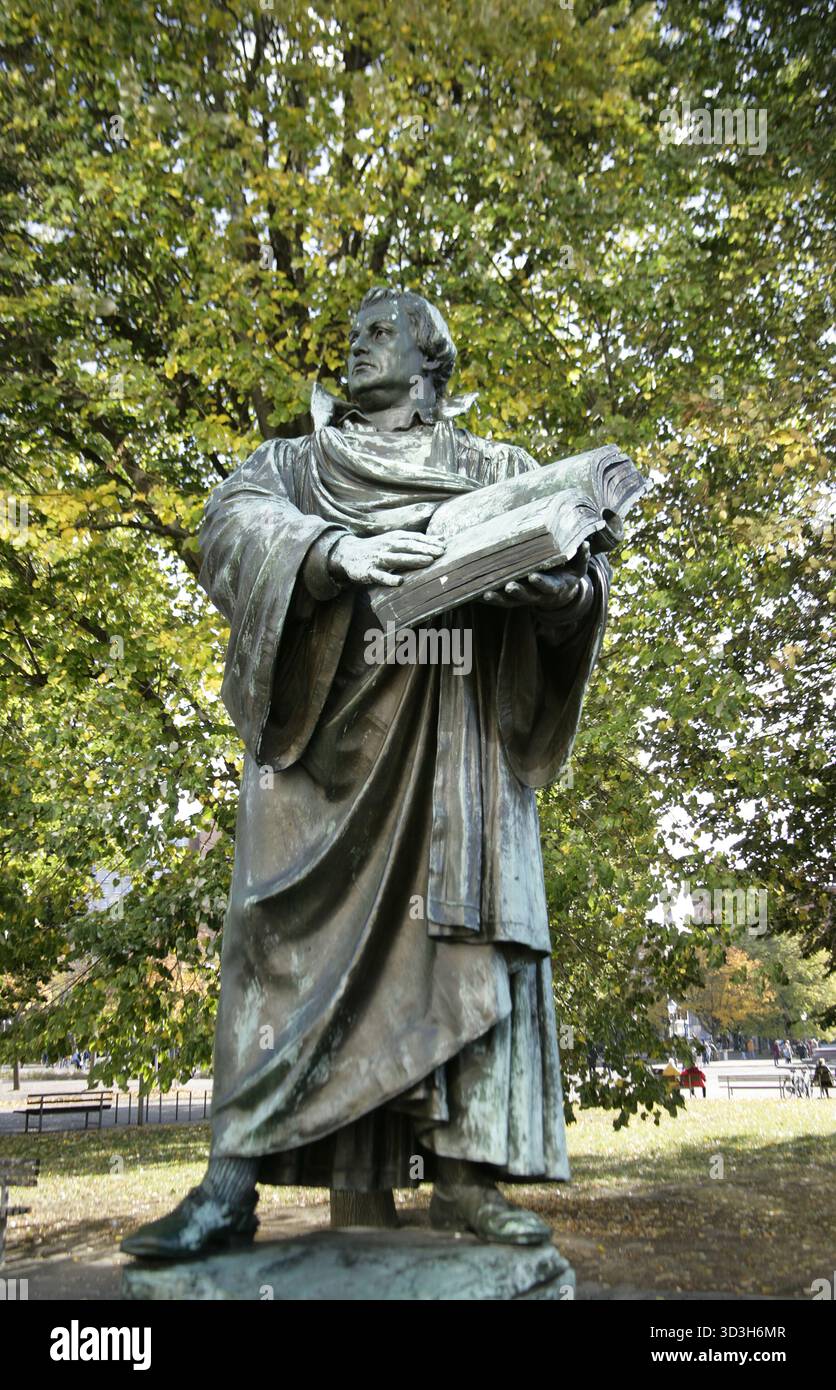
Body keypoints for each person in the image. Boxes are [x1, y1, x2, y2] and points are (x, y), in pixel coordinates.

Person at [121, 285, 613, 1260]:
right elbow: (229, 526)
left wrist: (557, 590)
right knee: (272, 942)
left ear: (431, 358)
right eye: (353, 334)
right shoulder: (299, 464)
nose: (358, 344)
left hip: (455, 734)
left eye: (382, 332)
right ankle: (229, 1183)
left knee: (461, 939)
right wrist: (332, 550)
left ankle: (468, 1182)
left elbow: (577, 582)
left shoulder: (497, 469)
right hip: (324, 753)